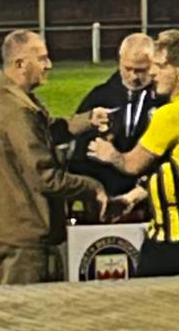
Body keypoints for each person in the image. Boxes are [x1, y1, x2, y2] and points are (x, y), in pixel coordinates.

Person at [0, 29, 109, 285]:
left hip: (0, 227)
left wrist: (87, 121)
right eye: (42, 59)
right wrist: (92, 187)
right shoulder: (16, 110)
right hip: (22, 236)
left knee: (3, 312)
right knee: (26, 315)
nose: (49, 65)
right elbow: (45, 177)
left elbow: (44, 131)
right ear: (20, 63)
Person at [88, 29, 179, 277]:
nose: (152, 73)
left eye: (161, 66)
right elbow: (170, 167)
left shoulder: (172, 114)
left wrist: (107, 153)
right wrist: (131, 198)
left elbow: (132, 164)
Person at [69, 33, 164, 207]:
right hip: (102, 197)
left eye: (141, 70)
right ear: (119, 61)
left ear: (153, 64)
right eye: (128, 69)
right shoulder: (100, 96)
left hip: (150, 200)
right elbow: (78, 152)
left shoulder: (163, 99)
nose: (134, 77)